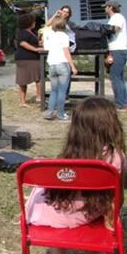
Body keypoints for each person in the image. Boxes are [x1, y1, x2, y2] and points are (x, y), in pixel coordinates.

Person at [26, 96, 125, 253]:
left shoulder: (68, 155)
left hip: (45, 213)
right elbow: (118, 195)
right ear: (110, 125)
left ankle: (56, 250)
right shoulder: (114, 158)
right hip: (82, 213)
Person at [43, 17, 78, 121]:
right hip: (62, 64)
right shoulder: (64, 36)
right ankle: (61, 113)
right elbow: (66, 52)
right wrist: (73, 66)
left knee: (54, 90)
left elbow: (46, 25)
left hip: (51, 64)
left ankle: (49, 112)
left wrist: (54, 16)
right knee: (62, 91)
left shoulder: (48, 34)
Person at [15, 13, 43, 108]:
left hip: (32, 58)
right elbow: (22, 43)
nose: (35, 22)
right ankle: (23, 102)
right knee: (24, 80)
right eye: (33, 21)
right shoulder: (23, 32)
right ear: (28, 22)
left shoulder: (32, 32)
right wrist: (35, 49)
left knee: (38, 77)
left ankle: (38, 96)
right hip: (26, 58)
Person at [104, 0, 127, 109]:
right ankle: (123, 101)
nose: (105, 9)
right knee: (120, 78)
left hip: (118, 50)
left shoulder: (117, 17)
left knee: (116, 77)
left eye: (106, 7)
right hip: (117, 49)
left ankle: (120, 104)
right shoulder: (114, 18)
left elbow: (115, 29)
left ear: (110, 7)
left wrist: (102, 29)